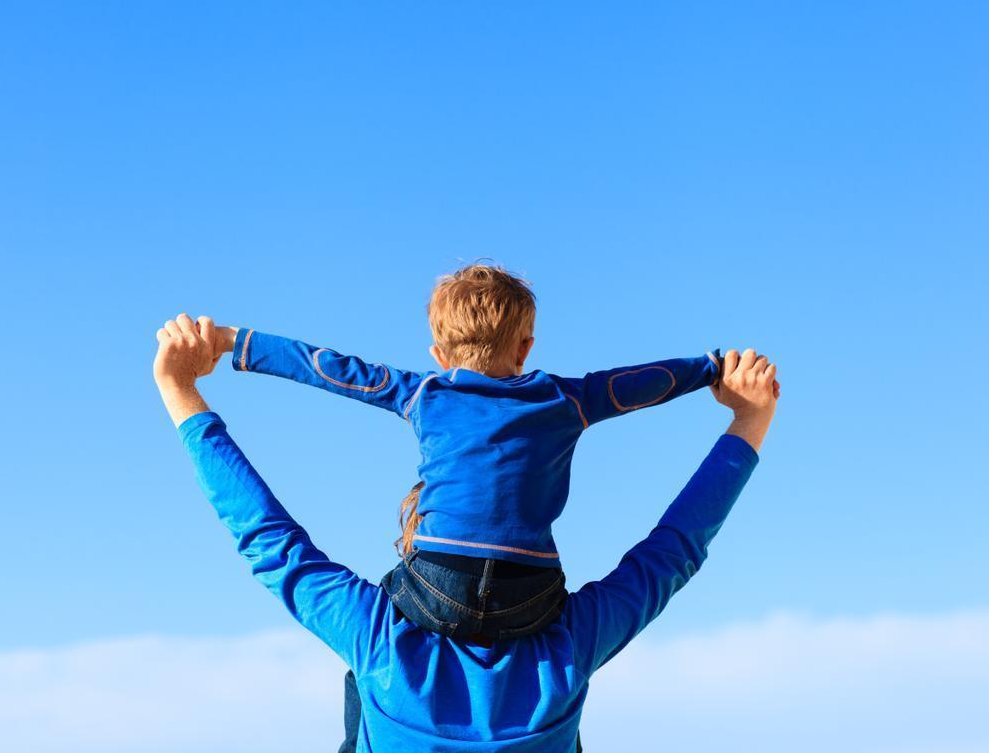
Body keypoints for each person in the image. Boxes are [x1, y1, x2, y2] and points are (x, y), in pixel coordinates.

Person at [154, 312, 778, 752]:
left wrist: (180, 391)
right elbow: (673, 551)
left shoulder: (380, 643)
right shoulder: (565, 649)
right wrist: (749, 420)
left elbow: (269, 541)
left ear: (413, 538)